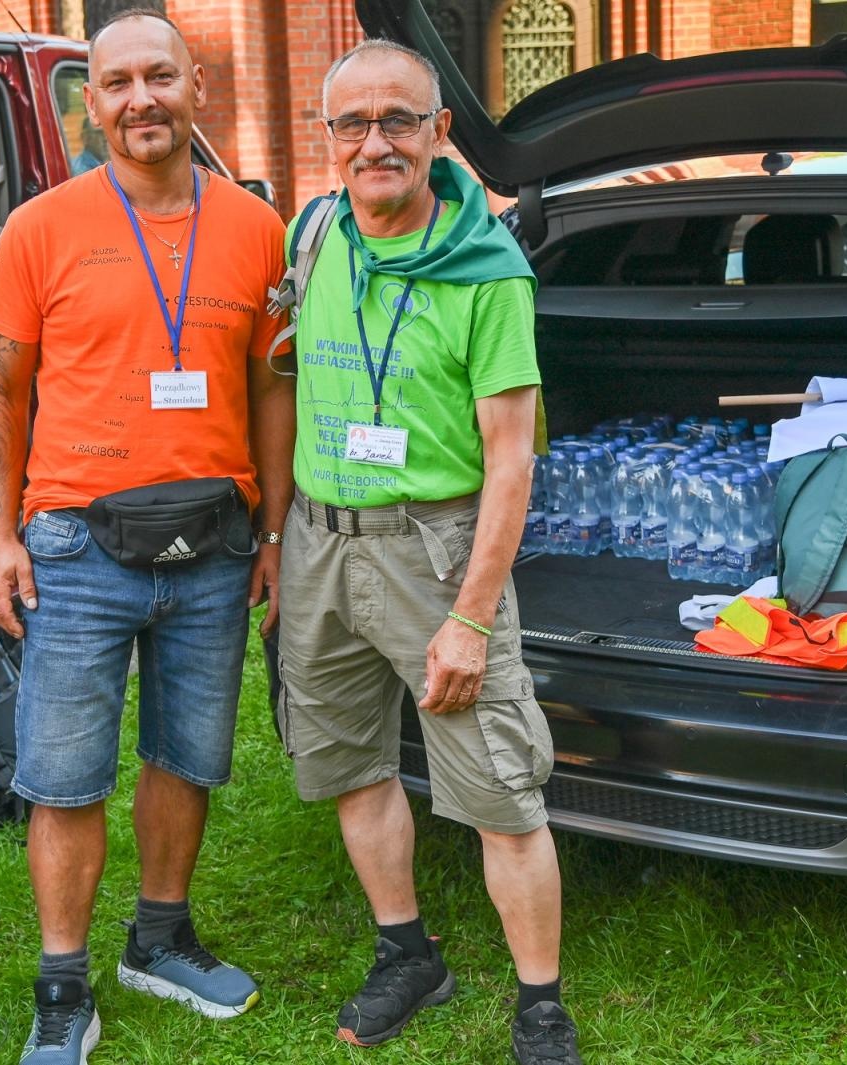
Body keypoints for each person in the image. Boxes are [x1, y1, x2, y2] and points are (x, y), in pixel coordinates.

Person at [0, 9, 295, 1064]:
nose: (140, 99)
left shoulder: (257, 227)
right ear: (92, 101)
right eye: (116, 84)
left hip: (214, 542)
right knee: (65, 777)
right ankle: (62, 986)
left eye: (160, 77)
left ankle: (159, 939)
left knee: (186, 757)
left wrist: (276, 533)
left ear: (195, 86)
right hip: (72, 546)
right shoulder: (40, 227)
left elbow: (269, 387)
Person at [275, 38, 582, 1065]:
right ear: (329, 141)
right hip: (320, 540)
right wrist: (280, 538)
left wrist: (469, 616)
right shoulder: (314, 233)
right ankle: (407, 951)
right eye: (352, 124)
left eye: (398, 120)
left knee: (499, 792)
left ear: (438, 133)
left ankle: (540, 1006)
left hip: (435, 546)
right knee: (353, 765)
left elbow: (510, 465)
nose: (375, 142)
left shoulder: (489, 273)